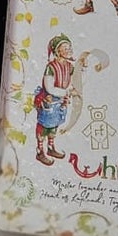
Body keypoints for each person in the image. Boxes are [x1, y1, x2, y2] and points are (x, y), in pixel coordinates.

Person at [33, 35, 78, 166]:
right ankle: (40, 151)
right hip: (49, 101)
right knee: (44, 125)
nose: (69, 50)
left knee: (55, 123)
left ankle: (51, 147)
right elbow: (49, 87)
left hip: (61, 101)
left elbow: (77, 82)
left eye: (70, 48)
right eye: (65, 48)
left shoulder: (70, 67)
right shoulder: (51, 67)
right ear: (58, 51)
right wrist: (66, 92)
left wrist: (83, 69)